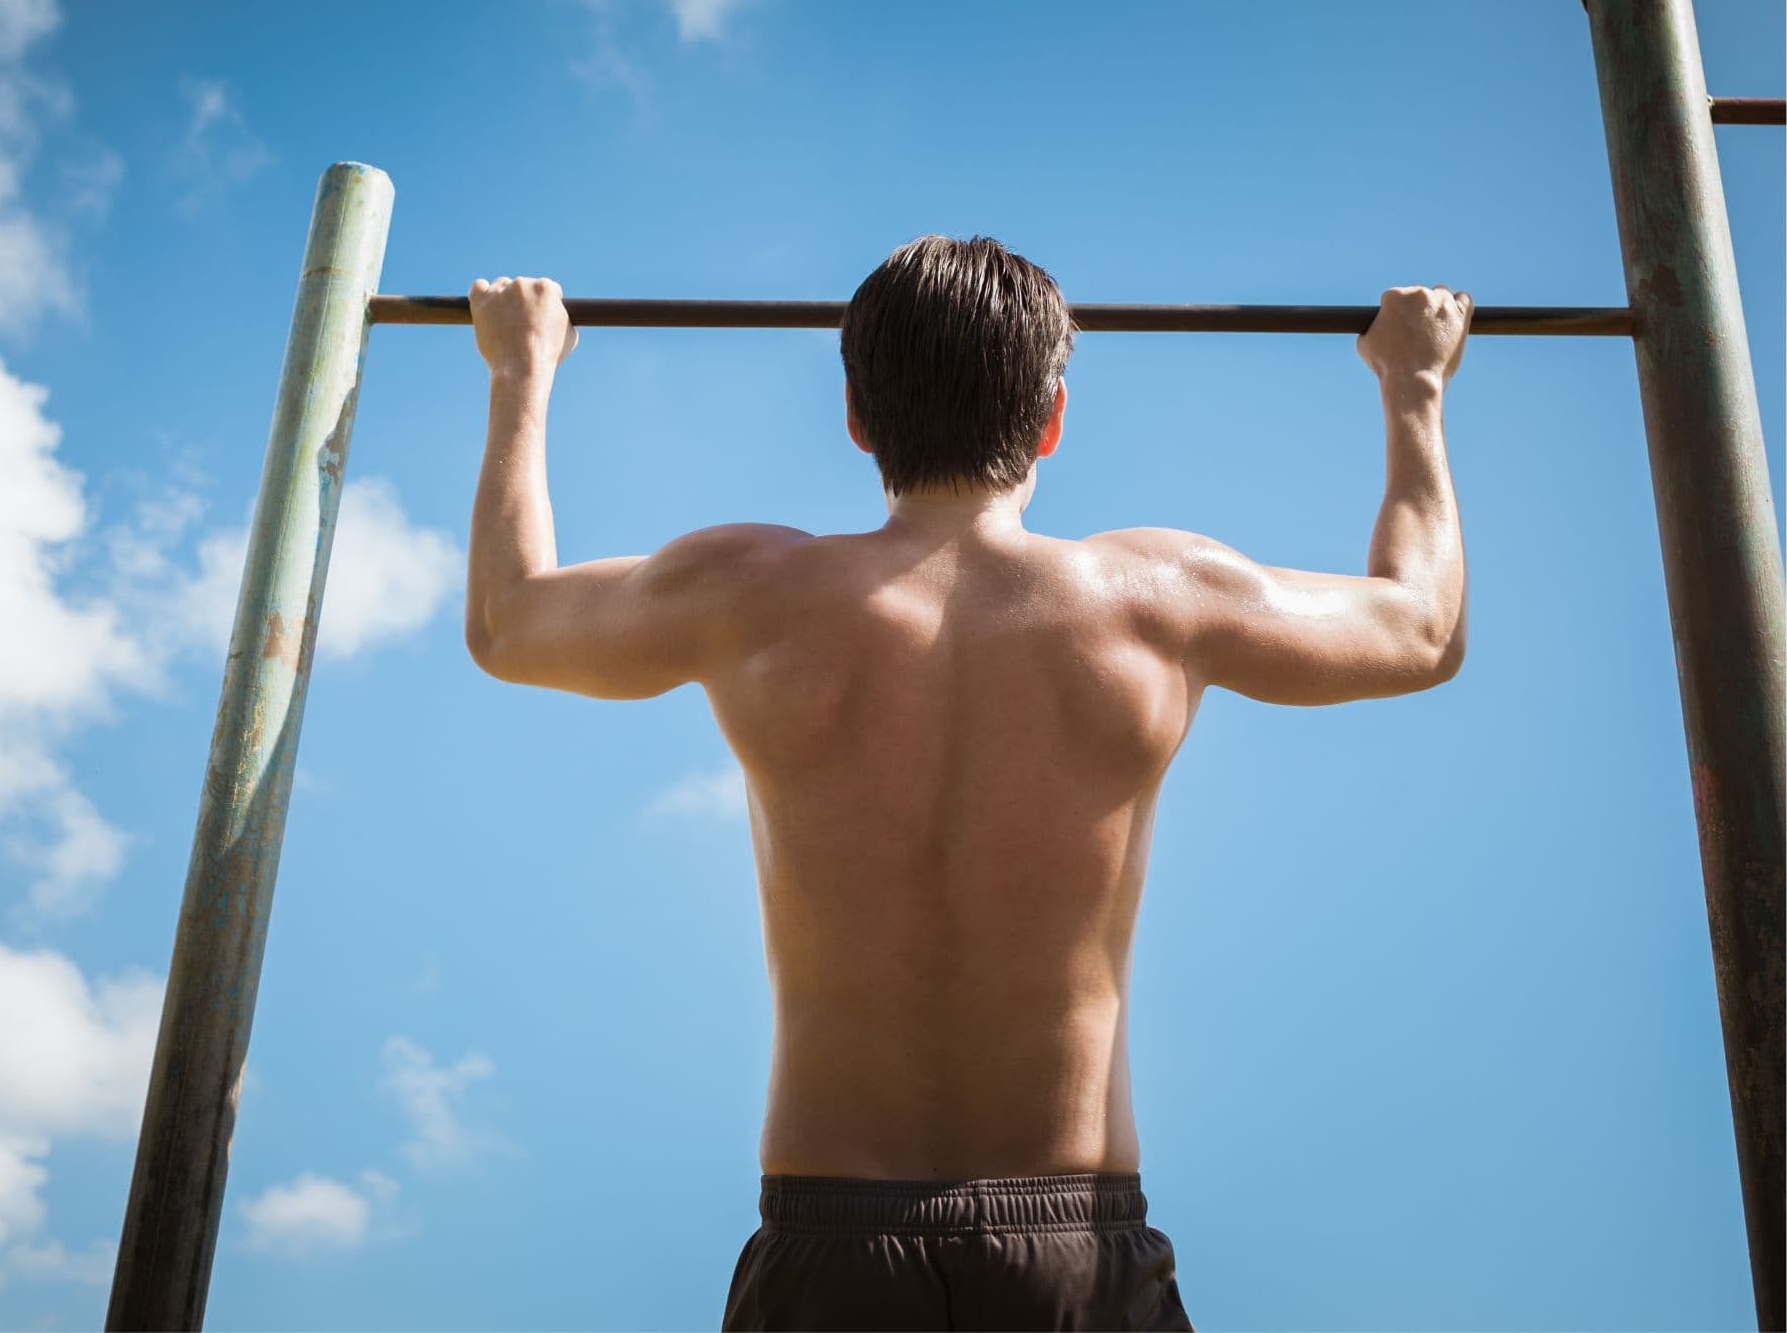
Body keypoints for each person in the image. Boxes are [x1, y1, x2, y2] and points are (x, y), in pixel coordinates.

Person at [462, 239, 1472, 1332]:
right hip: (1073, 1250)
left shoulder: (749, 592)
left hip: (828, 1246)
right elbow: (1418, 628)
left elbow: (509, 618)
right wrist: (1411, 386)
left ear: (855, 415)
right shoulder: (1153, 595)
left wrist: (522, 370)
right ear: (1050, 419)